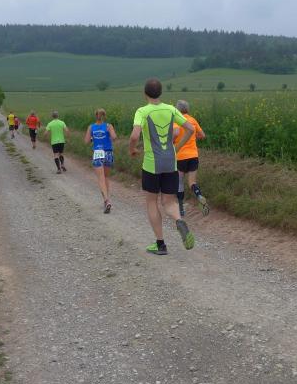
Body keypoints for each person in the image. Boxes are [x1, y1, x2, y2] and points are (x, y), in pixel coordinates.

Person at [129, 78, 195, 255]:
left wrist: (132, 149)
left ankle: (160, 244)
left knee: (152, 201)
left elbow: (134, 136)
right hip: (170, 162)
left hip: (152, 164)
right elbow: (190, 129)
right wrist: (177, 147)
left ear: (145, 93)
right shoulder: (171, 109)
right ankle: (179, 220)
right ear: (160, 93)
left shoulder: (142, 111)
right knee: (169, 201)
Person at [173, 100, 208, 217]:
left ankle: (181, 209)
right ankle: (199, 195)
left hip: (180, 156)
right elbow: (202, 135)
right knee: (192, 182)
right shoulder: (192, 120)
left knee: (179, 182)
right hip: (193, 155)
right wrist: (192, 137)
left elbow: (175, 134)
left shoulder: (176, 120)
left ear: (177, 109)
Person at [84, 108, 118, 213]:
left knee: (100, 178)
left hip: (98, 153)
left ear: (96, 116)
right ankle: (107, 200)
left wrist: (93, 138)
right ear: (105, 116)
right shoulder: (108, 126)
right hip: (108, 152)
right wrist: (109, 136)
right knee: (106, 177)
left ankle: (106, 200)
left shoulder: (91, 127)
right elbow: (114, 137)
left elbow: (86, 141)